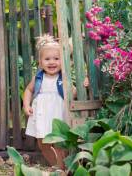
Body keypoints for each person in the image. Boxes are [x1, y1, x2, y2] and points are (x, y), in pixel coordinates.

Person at [22, 34, 88, 170]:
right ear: (40, 62)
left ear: (63, 61)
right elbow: (28, 90)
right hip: (41, 114)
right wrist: (26, 104)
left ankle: (62, 167)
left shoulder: (63, 78)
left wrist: (83, 84)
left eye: (56, 59)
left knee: (59, 143)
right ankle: (56, 165)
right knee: (42, 143)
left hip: (57, 114)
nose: (52, 62)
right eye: (47, 59)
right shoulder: (38, 77)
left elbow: (73, 93)